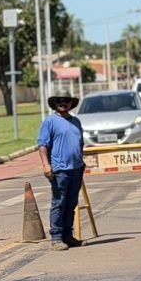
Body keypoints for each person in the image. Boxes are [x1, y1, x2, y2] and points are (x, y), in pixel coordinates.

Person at [37, 94, 85, 251]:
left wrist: (80, 162)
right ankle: (56, 238)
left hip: (76, 168)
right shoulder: (50, 121)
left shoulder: (76, 121)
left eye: (66, 101)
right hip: (59, 169)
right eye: (60, 101)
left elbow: (80, 144)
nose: (63, 104)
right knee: (59, 203)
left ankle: (67, 236)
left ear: (71, 103)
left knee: (71, 203)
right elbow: (42, 145)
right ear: (54, 104)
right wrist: (46, 165)